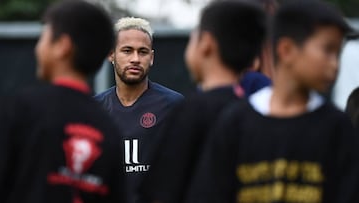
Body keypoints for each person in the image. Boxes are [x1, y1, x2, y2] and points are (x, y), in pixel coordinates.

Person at [190, 0, 359, 202]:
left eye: (338, 53)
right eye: (327, 51)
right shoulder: (234, 124)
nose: (335, 64)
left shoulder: (336, 127)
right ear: (286, 50)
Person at [139, 1, 267, 203]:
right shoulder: (257, 114)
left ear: (206, 44)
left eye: (192, 38)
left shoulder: (188, 112)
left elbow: (159, 191)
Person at [0, 1, 125, 203]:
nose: (37, 48)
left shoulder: (22, 109)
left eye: (44, 38)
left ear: (62, 46)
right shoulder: (108, 128)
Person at [94, 17, 184, 203]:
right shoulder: (95, 110)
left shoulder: (174, 106)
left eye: (142, 52)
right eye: (127, 51)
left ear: (151, 58)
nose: (135, 59)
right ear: (111, 54)